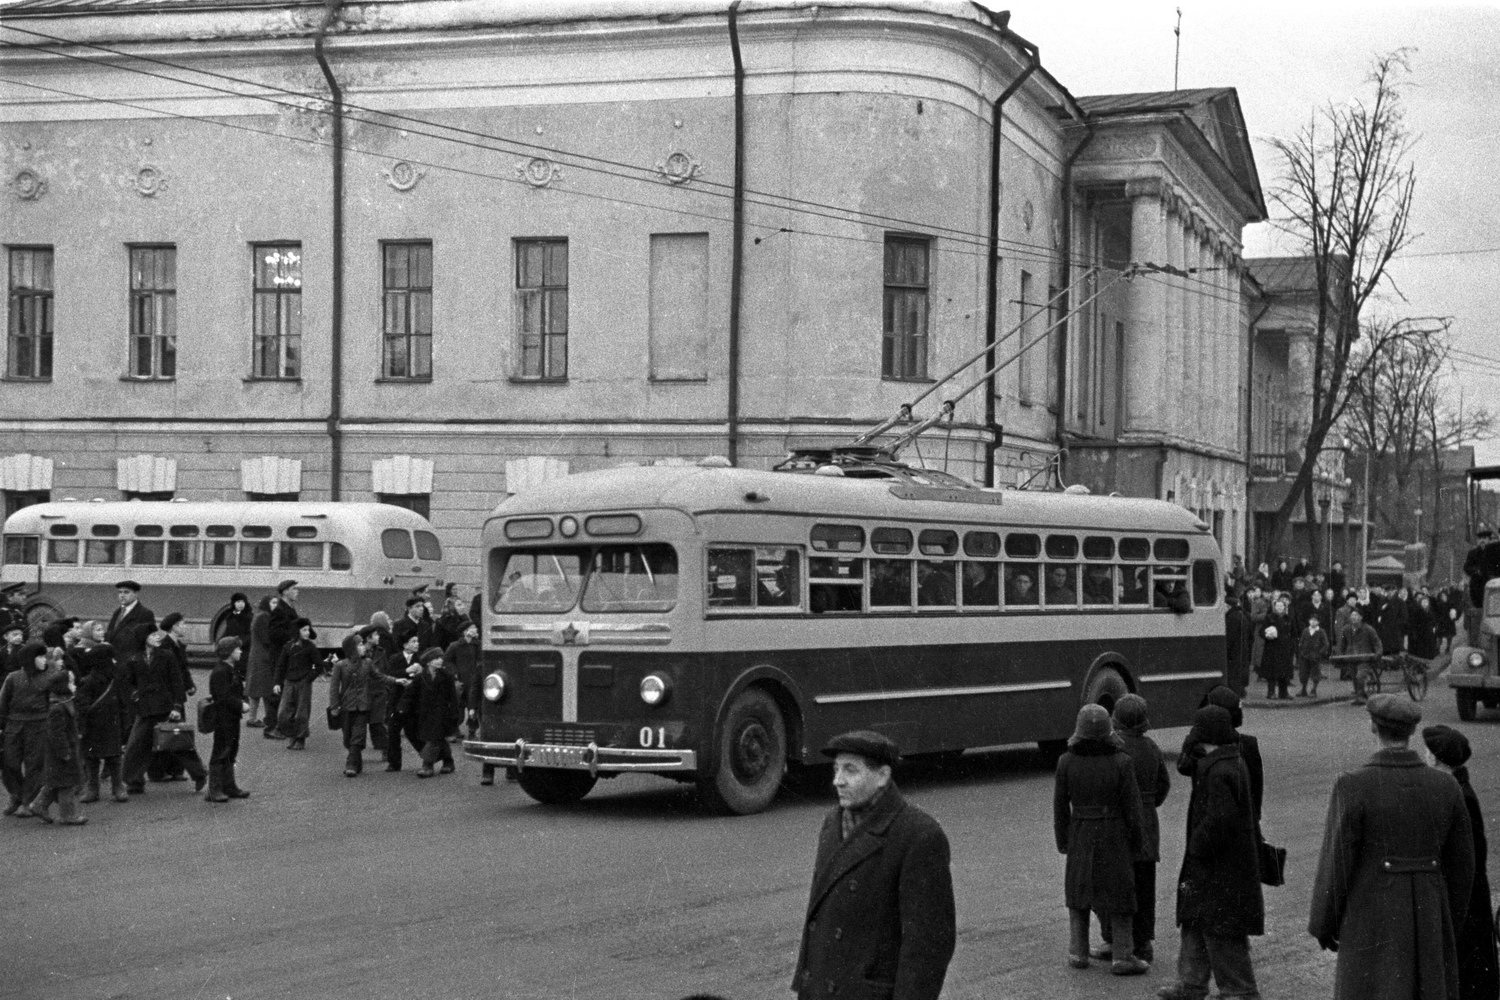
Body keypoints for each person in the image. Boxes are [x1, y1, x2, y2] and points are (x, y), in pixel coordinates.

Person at [1309, 695, 1474, 1000]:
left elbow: (1336, 863)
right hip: (1429, 919)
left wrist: (1324, 924)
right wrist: (1446, 921)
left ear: (1373, 727)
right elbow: (1463, 868)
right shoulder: (1446, 786)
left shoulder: (1353, 785)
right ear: (1412, 732)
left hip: (1370, 919)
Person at [792, 730, 955, 1000]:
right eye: (836, 769)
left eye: (850, 771)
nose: (837, 781)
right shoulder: (833, 823)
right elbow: (818, 919)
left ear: (882, 776)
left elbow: (927, 947)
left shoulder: (918, 835)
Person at [1157, 705, 1264, 1000]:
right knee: (1197, 921)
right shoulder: (1229, 762)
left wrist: (1197, 845)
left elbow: (1220, 820)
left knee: (1220, 928)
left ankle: (1239, 990)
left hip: (1219, 867)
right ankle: (1190, 983)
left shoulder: (1219, 770)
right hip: (1221, 866)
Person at [1053, 704, 1149, 975]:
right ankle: (1122, 955)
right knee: (1120, 892)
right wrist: (1138, 840)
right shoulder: (1122, 761)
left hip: (1080, 831)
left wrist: (1063, 841)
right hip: (1114, 832)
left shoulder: (1066, 762)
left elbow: (1060, 807)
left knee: (1078, 891)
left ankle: (1078, 951)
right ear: (1109, 730)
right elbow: (1133, 807)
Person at [1093, 694, 1171, 967]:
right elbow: (1164, 785)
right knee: (1144, 886)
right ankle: (1142, 943)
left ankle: (1114, 938)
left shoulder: (1112, 749)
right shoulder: (1152, 748)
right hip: (1147, 824)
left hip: (1117, 826)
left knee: (1113, 885)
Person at [1423, 725, 1500, 1000]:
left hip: (1467, 903)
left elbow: (1470, 859)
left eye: (1428, 754)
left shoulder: (1460, 797)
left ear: (1435, 759)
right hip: (1469, 899)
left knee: (1470, 977)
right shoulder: (1458, 790)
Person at [121, 629, 207, 795]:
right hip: (145, 709)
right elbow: (129, 682)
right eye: (152, 635)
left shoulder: (166, 655)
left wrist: (176, 707)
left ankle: (200, 775)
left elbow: (176, 682)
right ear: (143, 638)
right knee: (135, 745)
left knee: (180, 743)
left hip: (166, 708)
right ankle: (134, 782)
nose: (157, 637)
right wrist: (135, 696)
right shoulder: (135, 659)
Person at [1, 640, 57, 817]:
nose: (43, 660)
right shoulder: (13, 678)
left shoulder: (49, 678)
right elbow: (3, 704)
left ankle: (28, 801)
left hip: (39, 725)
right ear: (28, 659)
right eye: (39, 657)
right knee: (9, 763)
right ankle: (16, 795)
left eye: (44, 656)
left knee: (35, 765)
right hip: (14, 725)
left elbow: (53, 704)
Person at [28, 662, 86, 825]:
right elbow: (56, 734)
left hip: (61, 752)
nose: (74, 685)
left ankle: (38, 805)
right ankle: (68, 815)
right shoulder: (58, 708)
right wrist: (64, 752)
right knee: (66, 783)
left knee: (55, 781)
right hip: (61, 753)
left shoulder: (63, 703)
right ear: (62, 686)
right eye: (71, 682)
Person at [75, 643, 128, 804]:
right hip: (94, 725)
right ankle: (93, 788)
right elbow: (82, 706)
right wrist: (81, 727)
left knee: (114, 757)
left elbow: (123, 703)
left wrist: (125, 723)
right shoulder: (88, 682)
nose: (113, 661)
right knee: (92, 759)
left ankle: (118, 787)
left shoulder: (115, 679)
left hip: (112, 723)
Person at [204, 636, 250, 803]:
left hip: (231, 717)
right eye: (237, 649)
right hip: (223, 717)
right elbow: (222, 696)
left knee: (231, 750)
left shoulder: (229, 669)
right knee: (221, 750)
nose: (240, 651)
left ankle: (229, 786)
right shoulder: (221, 672)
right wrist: (240, 705)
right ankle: (214, 789)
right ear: (229, 652)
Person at [328, 634, 380, 777]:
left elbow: (379, 677)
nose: (363, 646)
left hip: (363, 706)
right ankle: (357, 761)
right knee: (348, 739)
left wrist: (395, 680)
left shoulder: (367, 662)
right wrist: (334, 706)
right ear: (352, 649)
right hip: (346, 706)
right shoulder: (340, 665)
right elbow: (334, 688)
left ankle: (350, 764)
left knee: (358, 735)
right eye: (360, 644)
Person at [404, 647, 457, 777]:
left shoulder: (446, 676)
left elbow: (453, 697)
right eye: (436, 658)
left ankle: (427, 765)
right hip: (425, 713)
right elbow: (410, 694)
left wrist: (454, 714)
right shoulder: (420, 678)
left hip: (442, 713)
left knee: (434, 738)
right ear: (428, 662)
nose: (440, 660)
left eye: (441, 658)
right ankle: (448, 761)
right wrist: (403, 708)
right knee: (437, 738)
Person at [272, 618, 321, 751]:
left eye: (308, 630)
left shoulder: (310, 647)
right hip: (289, 682)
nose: (307, 632)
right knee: (284, 713)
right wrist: (277, 682)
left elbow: (319, 666)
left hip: (303, 683)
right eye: (304, 630)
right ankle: (292, 735)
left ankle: (300, 738)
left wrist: (309, 678)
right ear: (297, 631)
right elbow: (280, 666)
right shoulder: (288, 647)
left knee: (301, 713)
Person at [380, 633, 422, 772]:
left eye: (417, 641)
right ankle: (394, 763)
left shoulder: (420, 659)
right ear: (405, 644)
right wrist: (406, 671)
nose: (417, 643)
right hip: (396, 700)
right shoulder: (395, 658)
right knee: (393, 731)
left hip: (413, 702)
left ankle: (428, 757)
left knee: (413, 732)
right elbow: (389, 674)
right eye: (413, 641)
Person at [245, 595, 279, 732]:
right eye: (273, 602)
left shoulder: (261, 615)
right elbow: (267, 638)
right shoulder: (264, 617)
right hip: (263, 657)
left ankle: (256, 717)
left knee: (259, 688)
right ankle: (256, 718)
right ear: (267, 603)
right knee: (263, 688)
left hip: (259, 656)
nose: (276, 605)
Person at [1337, 608, 1383, 706]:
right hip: (1351, 657)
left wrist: (1378, 652)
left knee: (1360, 676)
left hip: (1365, 658)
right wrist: (1340, 655)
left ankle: (1361, 696)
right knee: (1354, 678)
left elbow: (1376, 642)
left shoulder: (1368, 629)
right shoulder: (1346, 629)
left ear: (1361, 617)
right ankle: (1360, 695)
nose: (1354, 617)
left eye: (1356, 615)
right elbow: (1342, 644)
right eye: (1352, 615)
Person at [104, 580, 155, 666]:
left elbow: (147, 641)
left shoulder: (145, 613)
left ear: (136, 594)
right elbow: (110, 633)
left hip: (132, 663)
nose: (122, 595)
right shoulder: (117, 612)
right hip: (114, 661)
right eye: (120, 592)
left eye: (126, 592)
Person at [446, 621, 481, 742]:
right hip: (460, 681)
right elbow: (447, 660)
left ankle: (472, 731)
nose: (476, 629)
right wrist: (454, 673)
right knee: (458, 707)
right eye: (473, 628)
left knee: (474, 706)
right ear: (465, 632)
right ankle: (455, 730)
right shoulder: (455, 646)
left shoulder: (478, 645)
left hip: (475, 681)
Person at [1257, 596, 1295, 700]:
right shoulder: (1269, 618)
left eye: (1281, 606)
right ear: (1274, 607)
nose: (1279, 607)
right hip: (1272, 649)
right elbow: (1261, 632)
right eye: (1277, 606)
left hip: (1285, 649)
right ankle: (1271, 693)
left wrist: (1291, 645)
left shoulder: (1288, 619)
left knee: (1284, 673)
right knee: (1272, 673)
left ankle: (1284, 693)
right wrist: (1267, 635)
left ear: (1285, 607)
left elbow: (1293, 633)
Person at [1297, 614, 1331, 698]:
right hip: (1305, 656)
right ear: (1309, 621)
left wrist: (1319, 653)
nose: (1313, 622)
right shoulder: (1305, 630)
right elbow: (1301, 642)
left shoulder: (1321, 631)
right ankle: (1303, 689)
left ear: (1318, 622)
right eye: (1311, 620)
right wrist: (1301, 651)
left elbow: (1326, 644)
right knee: (1303, 673)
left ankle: (1314, 690)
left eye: (1315, 620)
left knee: (1315, 674)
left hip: (1315, 657)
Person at [1408, 593, 1440, 661]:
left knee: (1430, 646)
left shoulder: (1430, 611)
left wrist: (1434, 627)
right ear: (1420, 603)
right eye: (1423, 602)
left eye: (1426, 602)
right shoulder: (1417, 611)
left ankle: (1429, 659)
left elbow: (1434, 620)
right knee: (1422, 648)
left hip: (1429, 631)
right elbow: (1414, 622)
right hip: (1421, 632)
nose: (1425, 603)